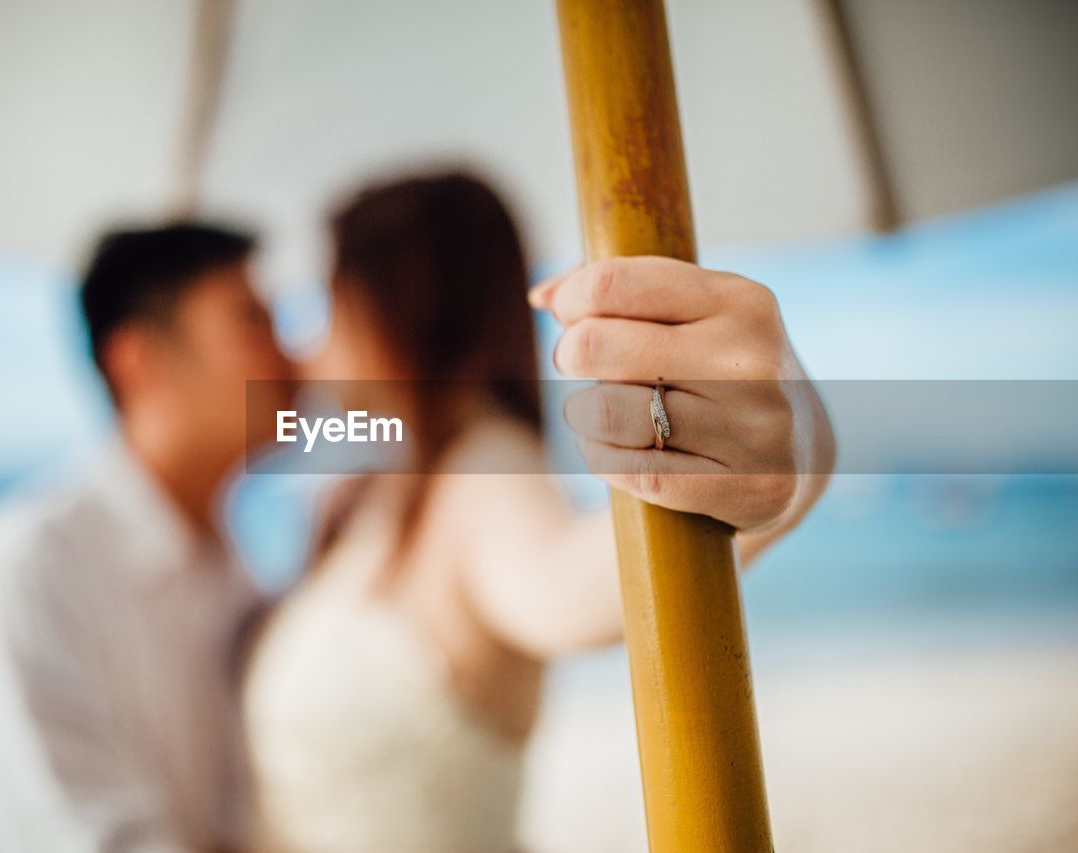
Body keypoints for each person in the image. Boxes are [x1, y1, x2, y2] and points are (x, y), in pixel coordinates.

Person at [243, 171, 834, 851]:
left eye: (332, 304)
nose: (312, 341)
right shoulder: (375, 487)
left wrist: (797, 450)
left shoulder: (482, 475)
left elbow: (576, 582)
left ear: (394, 310)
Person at [0, 224, 291, 852]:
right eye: (253, 324)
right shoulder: (26, 573)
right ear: (140, 361)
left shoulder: (233, 575)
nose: (291, 356)